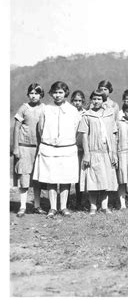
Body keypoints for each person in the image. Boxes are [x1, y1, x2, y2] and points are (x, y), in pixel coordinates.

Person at [33, 81, 81, 218]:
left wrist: (66, 141)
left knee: (66, 179)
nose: (57, 95)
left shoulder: (72, 110)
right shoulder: (46, 109)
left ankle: (64, 207)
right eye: (55, 92)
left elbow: (76, 129)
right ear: (51, 94)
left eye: (60, 92)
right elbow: (40, 128)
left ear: (66, 93)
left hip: (67, 149)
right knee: (51, 179)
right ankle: (53, 208)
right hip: (50, 149)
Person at [79, 89, 118, 215]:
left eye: (99, 99)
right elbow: (84, 135)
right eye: (94, 99)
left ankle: (105, 206)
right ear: (91, 100)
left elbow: (113, 134)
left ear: (103, 101)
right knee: (93, 179)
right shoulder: (87, 115)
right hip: (93, 151)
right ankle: (93, 206)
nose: (96, 101)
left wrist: (113, 153)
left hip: (106, 151)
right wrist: (86, 153)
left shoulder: (109, 114)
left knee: (106, 179)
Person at [12, 83, 46, 217]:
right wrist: (15, 147)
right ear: (28, 94)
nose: (34, 96)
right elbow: (16, 128)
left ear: (41, 95)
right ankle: (22, 206)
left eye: (37, 93)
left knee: (37, 178)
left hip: (39, 148)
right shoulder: (23, 108)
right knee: (24, 176)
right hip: (24, 147)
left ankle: (37, 205)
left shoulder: (44, 109)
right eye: (31, 93)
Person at [70, 90, 87, 210]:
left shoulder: (85, 114)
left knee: (79, 176)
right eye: (75, 100)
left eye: (80, 101)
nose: (77, 103)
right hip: (70, 146)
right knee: (68, 175)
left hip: (81, 147)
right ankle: (64, 201)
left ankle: (79, 201)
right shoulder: (69, 112)